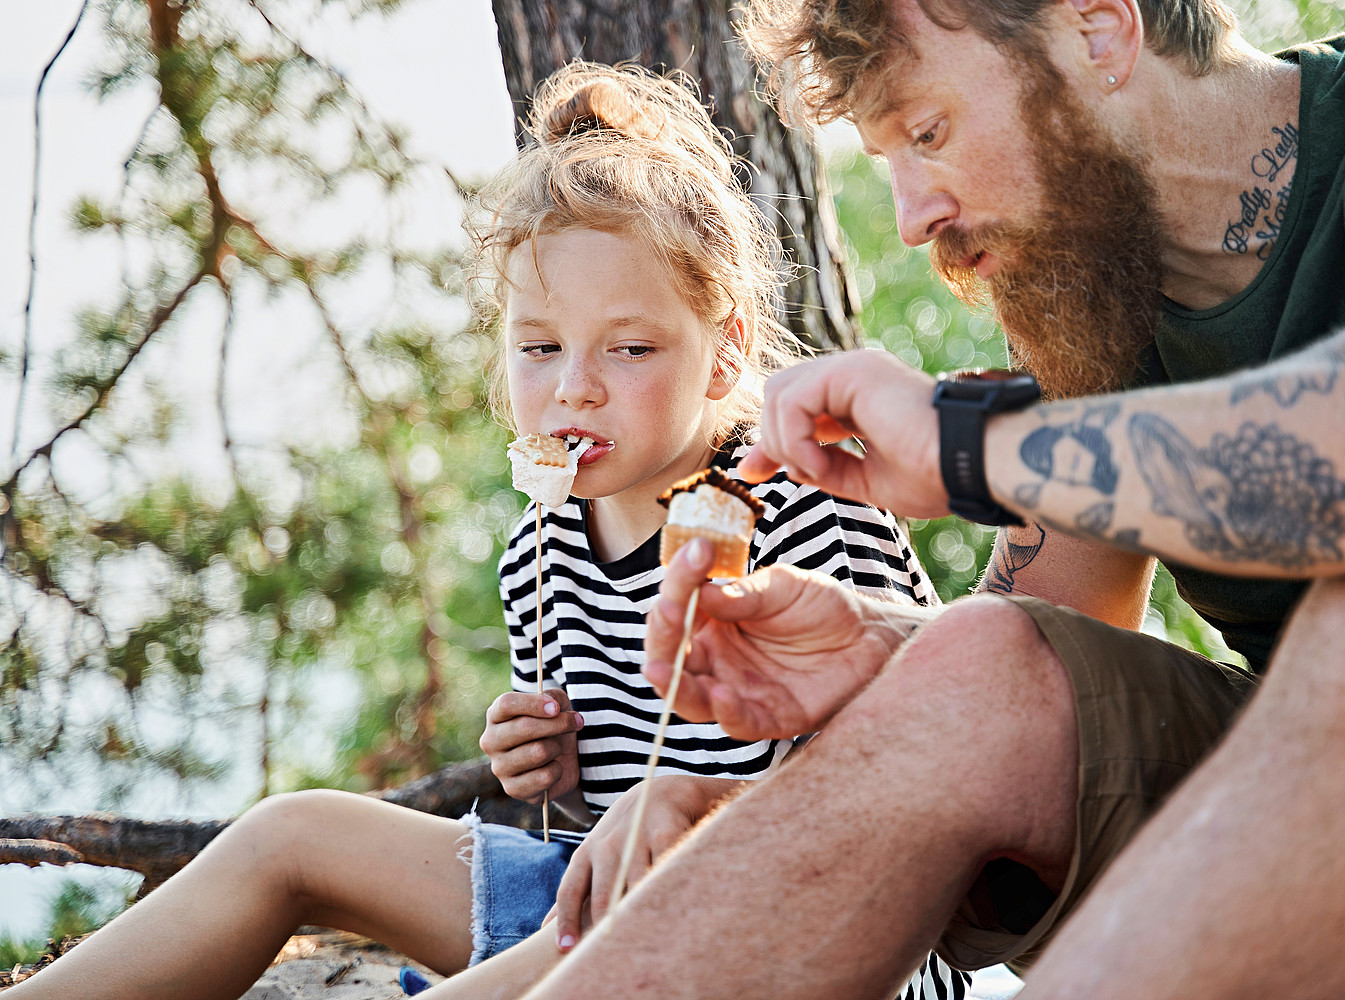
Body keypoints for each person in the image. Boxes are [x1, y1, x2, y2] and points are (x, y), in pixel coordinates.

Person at [506, 3, 1345, 999]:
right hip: (1341, 833)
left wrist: (973, 444)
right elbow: (1042, 658)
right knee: (975, 654)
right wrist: (890, 659)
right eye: (886, 157)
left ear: (1100, 30)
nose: (909, 218)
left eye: (928, 133)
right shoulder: (1096, 288)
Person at [7, 63, 967, 1000]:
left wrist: (700, 823)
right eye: (539, 347)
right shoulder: (540, 552)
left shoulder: (804, 501)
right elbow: (589, 835)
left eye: (629, 348)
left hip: (821, 935)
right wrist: (550, 772)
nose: (573, 386)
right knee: (291, 832)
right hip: (594, 910)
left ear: (726, 351)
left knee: (621, 918)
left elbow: (915, 780)